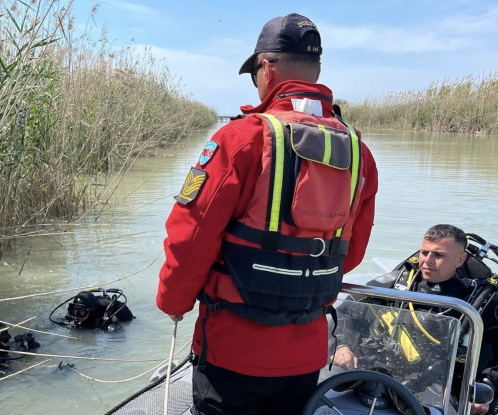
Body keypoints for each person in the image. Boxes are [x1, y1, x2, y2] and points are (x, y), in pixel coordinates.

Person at [155, 13, 379, 415]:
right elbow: (353, 253)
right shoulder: (360, 153)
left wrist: (173, 300)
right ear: (318, 70)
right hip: (307, 354)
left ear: (268, 67)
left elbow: (190, 236)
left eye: (255, 71)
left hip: (231, 352)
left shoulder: (241, 139)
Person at [333, 224, 498, 415]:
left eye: (439, 255)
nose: (427, 260)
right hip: (380, 375)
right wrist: (342, 346)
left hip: (438, 390)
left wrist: (487, 385)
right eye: (424, 252)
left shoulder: (478, 302)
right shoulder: (394, 286)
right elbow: (345, 312)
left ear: (459, 260)